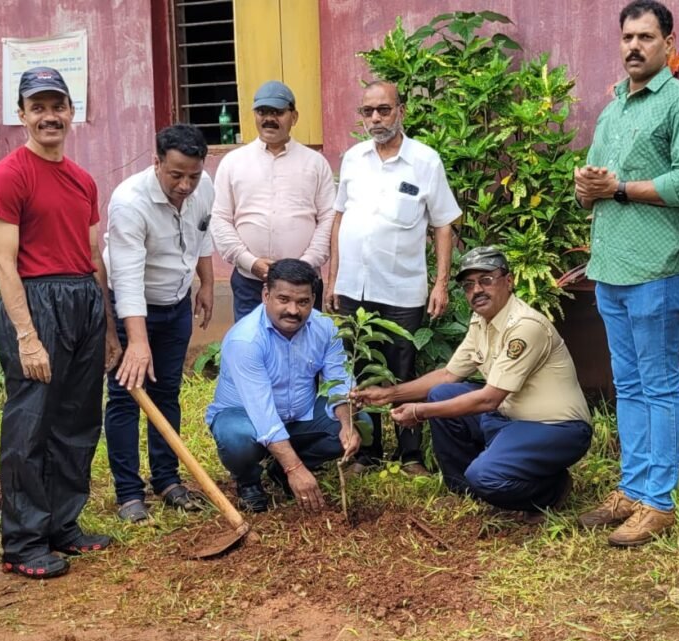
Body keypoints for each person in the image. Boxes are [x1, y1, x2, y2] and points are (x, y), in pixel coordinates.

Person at [574, 0, 679, 546]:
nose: (634, 46)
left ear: (668, 43)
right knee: (627, 384)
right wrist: (586, 186)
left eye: (646, 37)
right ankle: (632, 490)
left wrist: (620, 190)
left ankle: (658, 502)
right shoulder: (614, 109)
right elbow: (594, 183)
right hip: (610, 267)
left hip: (659, 268)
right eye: (627, 37)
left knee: (656, 386)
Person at [0, 67, 122, 579]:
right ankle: (23, 542)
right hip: (36, 302)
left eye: (56, 105)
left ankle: (63, 524)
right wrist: (26, 335)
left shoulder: (83, 179)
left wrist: (106, 327)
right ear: (21, 115)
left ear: (71, 112)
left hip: (82, 299)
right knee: (31, 425)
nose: (49, 116)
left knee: (78, 420)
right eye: (37, 107)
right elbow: (3, 263)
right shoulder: (8, 175)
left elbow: (91, 255)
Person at [354, 247, 592, 512]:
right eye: (469, 285)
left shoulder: (525, 327)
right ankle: (465, 493)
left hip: (556, 428)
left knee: (485, 476)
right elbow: (447, 375)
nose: (476, 290)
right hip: (509, 419)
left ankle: (551, 489)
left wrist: (420, 412)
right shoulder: (481, 321)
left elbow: (489, 399)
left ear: (509, 281)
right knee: (442, 393)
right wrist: (388, 394)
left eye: (486, 280)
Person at [327, 80, 461, 475]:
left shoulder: (425, 161)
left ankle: (410, 455)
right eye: (367, 111)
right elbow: (339, 218)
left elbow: (443, 225)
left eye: (383, 110)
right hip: (354, 286)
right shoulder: (352, 159)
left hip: (402, 288)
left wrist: (439, 283)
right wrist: (333, 279)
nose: (375, 119)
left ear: (400, 110)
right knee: (361, 365)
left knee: (402, 368)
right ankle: (368, 451)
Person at [103, 124, 215, 523]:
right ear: (157, 163)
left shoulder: (204, 188)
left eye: (193, 175)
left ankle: (167, 480)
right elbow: (127, 276)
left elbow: (203, 235)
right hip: (132, 306)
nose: (186, 185)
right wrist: (135, 340)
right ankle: (129, 494)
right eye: (176, 175)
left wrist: (207, 282)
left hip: (176, 304)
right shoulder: (128, 202)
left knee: (167, 392)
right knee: (126, 396)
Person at [205, 259, 366, 513]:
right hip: (247, 418)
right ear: (266, 295)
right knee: (236, 439)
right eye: (283, 299)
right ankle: (249, 482)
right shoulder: (245, 340)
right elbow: (262, 413)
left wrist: (346, 424)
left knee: (359, 422)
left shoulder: (325, 327)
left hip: (298, 416)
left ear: (313, 299)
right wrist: (296, 469)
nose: (293, 310)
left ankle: (280, 470)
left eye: (303, 302)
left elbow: (340, 380)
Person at [209, 80, 336, 321]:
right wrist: (250, 261)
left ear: (294, 116)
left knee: (304, 351)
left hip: (302, 284)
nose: (269, 119)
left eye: (277, 112)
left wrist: (305, 265)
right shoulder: (234, 162)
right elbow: (220, 218)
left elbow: (328, 217)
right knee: (252, 349)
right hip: (250, 282)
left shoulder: (315, 163)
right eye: (262, 112)